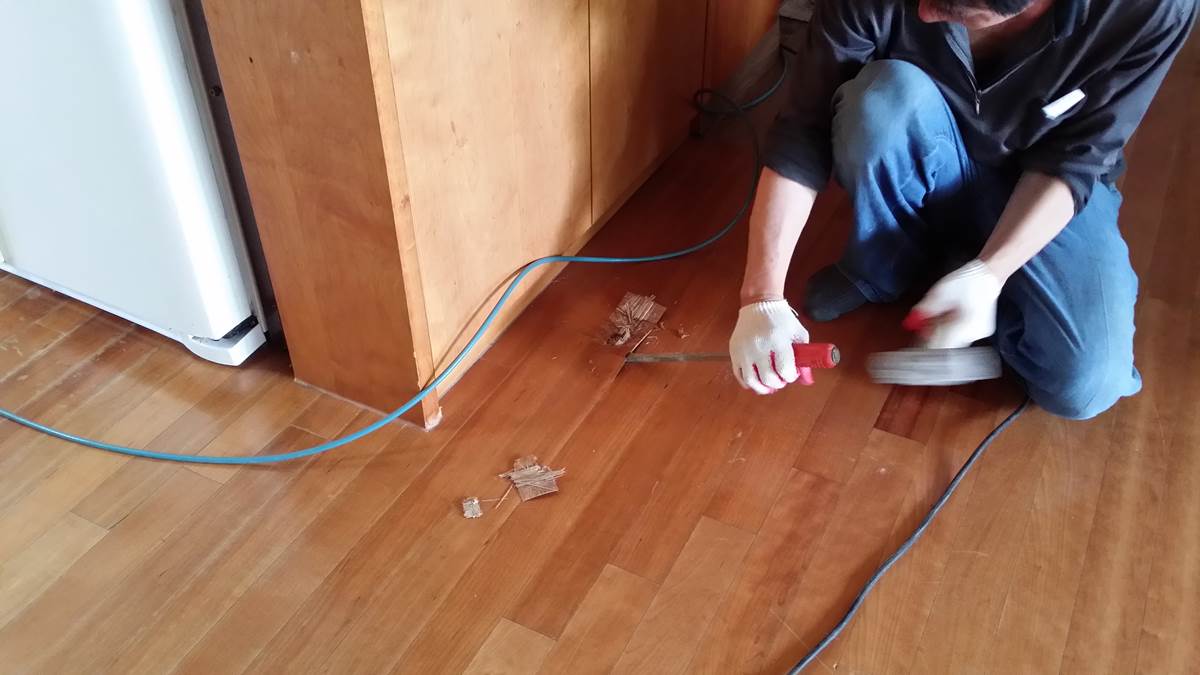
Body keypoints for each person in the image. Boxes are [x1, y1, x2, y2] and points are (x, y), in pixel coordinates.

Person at [728, 0, 1197, 419]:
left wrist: (992, 272)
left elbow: (1077, 159)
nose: (923, 12)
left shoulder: (1151, 9)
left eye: (950, 5)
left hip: (1042, 181)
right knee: (879, 105)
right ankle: (884, 266)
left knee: (1087, 385)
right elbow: (803, 128)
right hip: (919, 132)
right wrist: (760, 296)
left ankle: (965, 270)